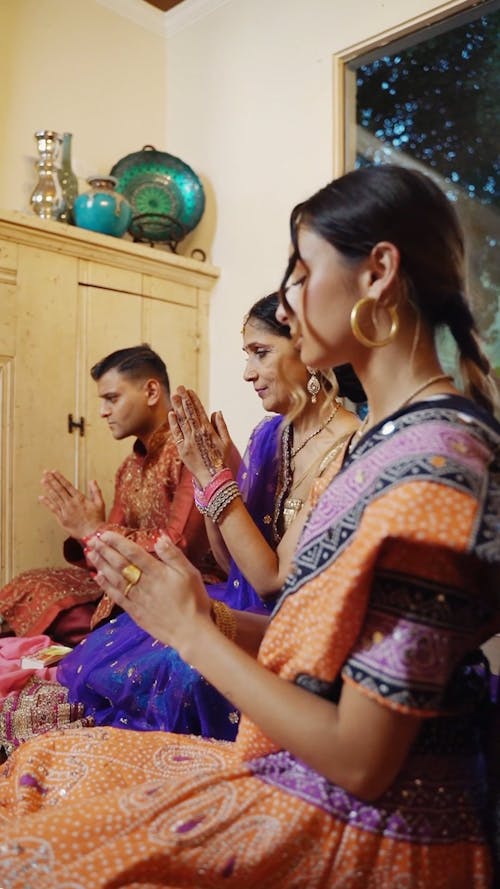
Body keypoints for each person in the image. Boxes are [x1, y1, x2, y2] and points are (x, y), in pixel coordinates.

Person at [0, 164, 498, 889]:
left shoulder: (438, 464)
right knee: (41, 762)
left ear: (378, 272)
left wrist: (193, 632)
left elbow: (362, 757)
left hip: (358, 820)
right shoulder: (387, 441)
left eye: (301, 270)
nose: (288, 303)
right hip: (288, 765)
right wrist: (205, 615)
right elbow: (330, 645)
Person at [53, 293, 360, 740]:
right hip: (238, 599)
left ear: (310, 352)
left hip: (290, 627)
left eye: (260, 353)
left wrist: (214, 478)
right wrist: (206, 478)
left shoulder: (347, 447)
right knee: (124, 653)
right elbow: (228, 554)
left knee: (177, 669)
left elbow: (271, 581)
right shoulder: (271, 435)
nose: (247, 373)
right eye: (245, 355)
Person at [0, 344, 218, 646]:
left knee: (112, 624)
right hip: (131, 579)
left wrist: (95, 530)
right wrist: (85, 531)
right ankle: (102, 639)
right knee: (32, 584)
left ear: (151, 392)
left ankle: (105, 641)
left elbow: (180, 546)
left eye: (112, 399)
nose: (102, 412)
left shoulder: (189, 450)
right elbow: (101, 560)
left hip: (189, 586)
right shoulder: (128, 467)